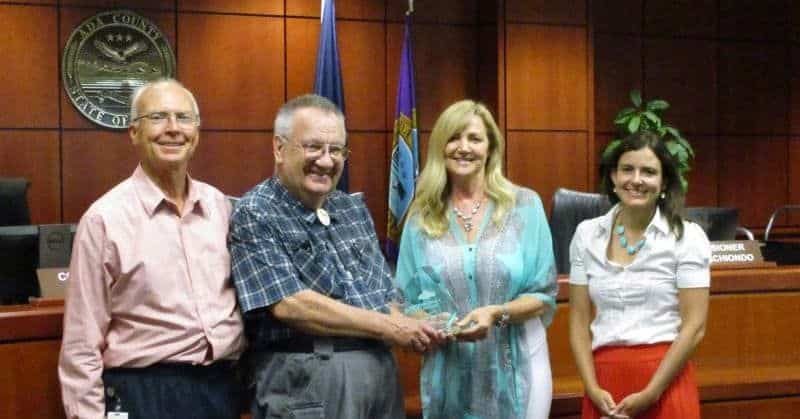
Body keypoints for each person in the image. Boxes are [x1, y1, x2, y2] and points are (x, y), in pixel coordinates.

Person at [229, 94, 445, 419]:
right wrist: (390, 327)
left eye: (337, 150)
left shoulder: (352, 209)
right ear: (279, 148)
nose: (327, 161)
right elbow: (290, 304)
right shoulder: (255, 212)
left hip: (380, 375)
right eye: (314, 147)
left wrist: (422, 325)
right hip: (310, 378)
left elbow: (383, 298)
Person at [58, 79, 245, 419]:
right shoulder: (104, 220)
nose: (173, 129)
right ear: (134, 133)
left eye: (184, 118)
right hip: (144, 394)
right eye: (158, 117)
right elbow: (80, 344)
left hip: (220, 390)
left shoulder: (221, 207)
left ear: (197, 133)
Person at [394, 99, 558, 419]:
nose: (463, 147)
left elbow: (544, 294)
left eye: (474, 138)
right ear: (440, 146)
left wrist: (497, 312)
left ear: (490, 148)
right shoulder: (420, 217)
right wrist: (427, 323)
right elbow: (403, 299)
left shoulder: (524, 206)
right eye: (454, 138)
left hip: (519, 369)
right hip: (449, 374)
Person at [568, 131, 710, 419]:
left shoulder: (687, 237)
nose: (636, 179)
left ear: (664, 182)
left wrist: (652, 392)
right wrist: (592, 387)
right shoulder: (586, 234)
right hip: (603, 385)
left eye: (648, 172)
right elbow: (578, 321)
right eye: (627, 169)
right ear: (613, 176)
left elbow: (694, 326)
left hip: (663, 381)